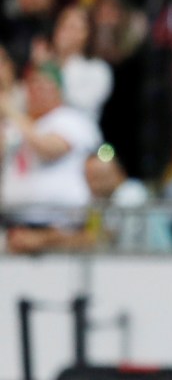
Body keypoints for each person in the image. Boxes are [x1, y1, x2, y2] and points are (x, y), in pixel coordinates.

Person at [1, 62, 102, 253]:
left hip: (59, 228)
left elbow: (49, 149)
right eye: (32, 85)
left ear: (58, 90)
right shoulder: (20, 122)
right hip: (14, 225)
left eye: (43, 85)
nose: (36, 91)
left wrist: (12, 111)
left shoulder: (70, 119)